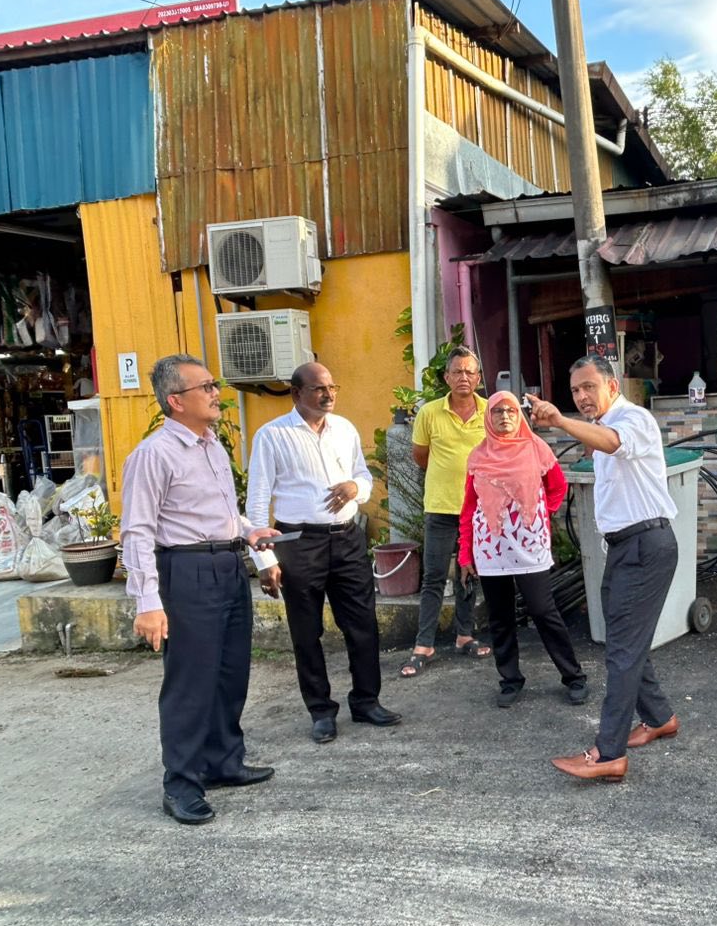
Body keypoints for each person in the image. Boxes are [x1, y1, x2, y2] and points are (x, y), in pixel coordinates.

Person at [121, 354, 282, 826]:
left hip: (227, 566)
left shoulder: (212, 445)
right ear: (175, 400)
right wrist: (148, 603)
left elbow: (221, 515)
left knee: (230, 672)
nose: (216, 393)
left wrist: (252, 536)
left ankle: (223, 761)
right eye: (205, 386)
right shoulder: (154, 454)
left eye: (214, 385)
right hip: (186, 574)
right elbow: (137, 531)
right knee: (191, 681)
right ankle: (182, 783)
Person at [527, 355, 680, 783]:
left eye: (589, 387)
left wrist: (559, 421)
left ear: (611, 385)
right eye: (575, 390)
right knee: (623, 640)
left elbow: (614, 441)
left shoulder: (634, 419)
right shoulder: (603, 425)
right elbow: (601, 442)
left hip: (647, 545)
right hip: (624, 547)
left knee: (623, 650)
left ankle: (608, 753)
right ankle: (660, 717)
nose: (582, 396)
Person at [246, 362, 402, 745]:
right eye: (319, 389)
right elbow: (257, 501)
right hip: (298, 543)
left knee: (362, 625)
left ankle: (367, 702)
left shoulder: (345, 429)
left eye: (333, 387)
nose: (328, 395)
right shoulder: (272, 436)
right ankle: (321, 711)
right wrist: (265, 560)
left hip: (347, 539)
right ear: (296, 393)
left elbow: (363, 476)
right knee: (307, 631)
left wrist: (355, 488)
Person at [457, 390, 588, 708]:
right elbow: (468, 508)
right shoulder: (478, 456)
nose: (504, 416)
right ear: (489, 417)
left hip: (530, 546)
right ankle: (510, 680)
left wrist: (540, 516)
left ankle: (574, 677)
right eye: (498, 411)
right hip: (491, 549)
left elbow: (557, 487)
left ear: (519, 415)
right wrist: (465, 553)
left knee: (544, 611)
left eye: (511, 411)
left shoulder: (537, 449)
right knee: (500, 617)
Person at [402, 347, 493, 676]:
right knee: (434, 576)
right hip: (440, 507)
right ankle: (423, 644)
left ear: (479, 378)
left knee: (470, 575)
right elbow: (420, 456)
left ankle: (464, 635)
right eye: (458, 372)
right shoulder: (429, 413)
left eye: (470, 372)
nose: (464, 377)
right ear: (447, 377)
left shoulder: (489, 411)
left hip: (479, 509)